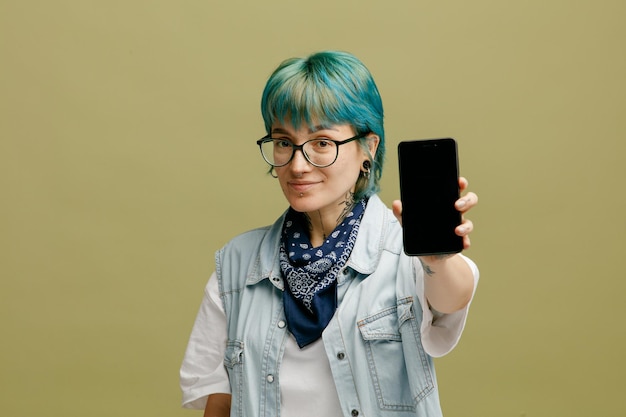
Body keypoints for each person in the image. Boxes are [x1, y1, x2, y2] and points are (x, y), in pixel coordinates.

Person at [180, 50, 479, 417]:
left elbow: (451, 299)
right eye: (284, 142)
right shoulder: (237, 265)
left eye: (322, 143)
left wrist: (437, 261)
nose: (298, 165)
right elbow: (221, 401)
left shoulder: (404, 250)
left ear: (368, 148)